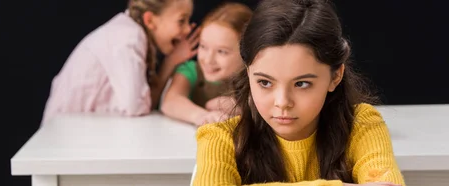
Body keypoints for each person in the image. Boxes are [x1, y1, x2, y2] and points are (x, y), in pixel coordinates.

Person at [193, 0, 405, 185]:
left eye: (302, 84)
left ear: (335, 76)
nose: (282, 102)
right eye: (265, 82)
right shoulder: (220, 137)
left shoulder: (362, 125)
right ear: (248, 73)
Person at [41, 0, 199, 119]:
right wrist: (170, 62)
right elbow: (136, 107)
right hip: (63, 141)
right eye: (181, 21)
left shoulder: (130, 33)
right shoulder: (128, 38)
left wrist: (170, 61)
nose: (187, 29)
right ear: (150, 20)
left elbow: (143, 105)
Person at [160, 2, 251, 126]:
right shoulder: (190, 70)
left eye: (221, 52)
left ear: (246, 53)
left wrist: (244, 107)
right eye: (203, 47)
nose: (208, 60)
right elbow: (170, 101)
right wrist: (202, 116)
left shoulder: (255, 79)